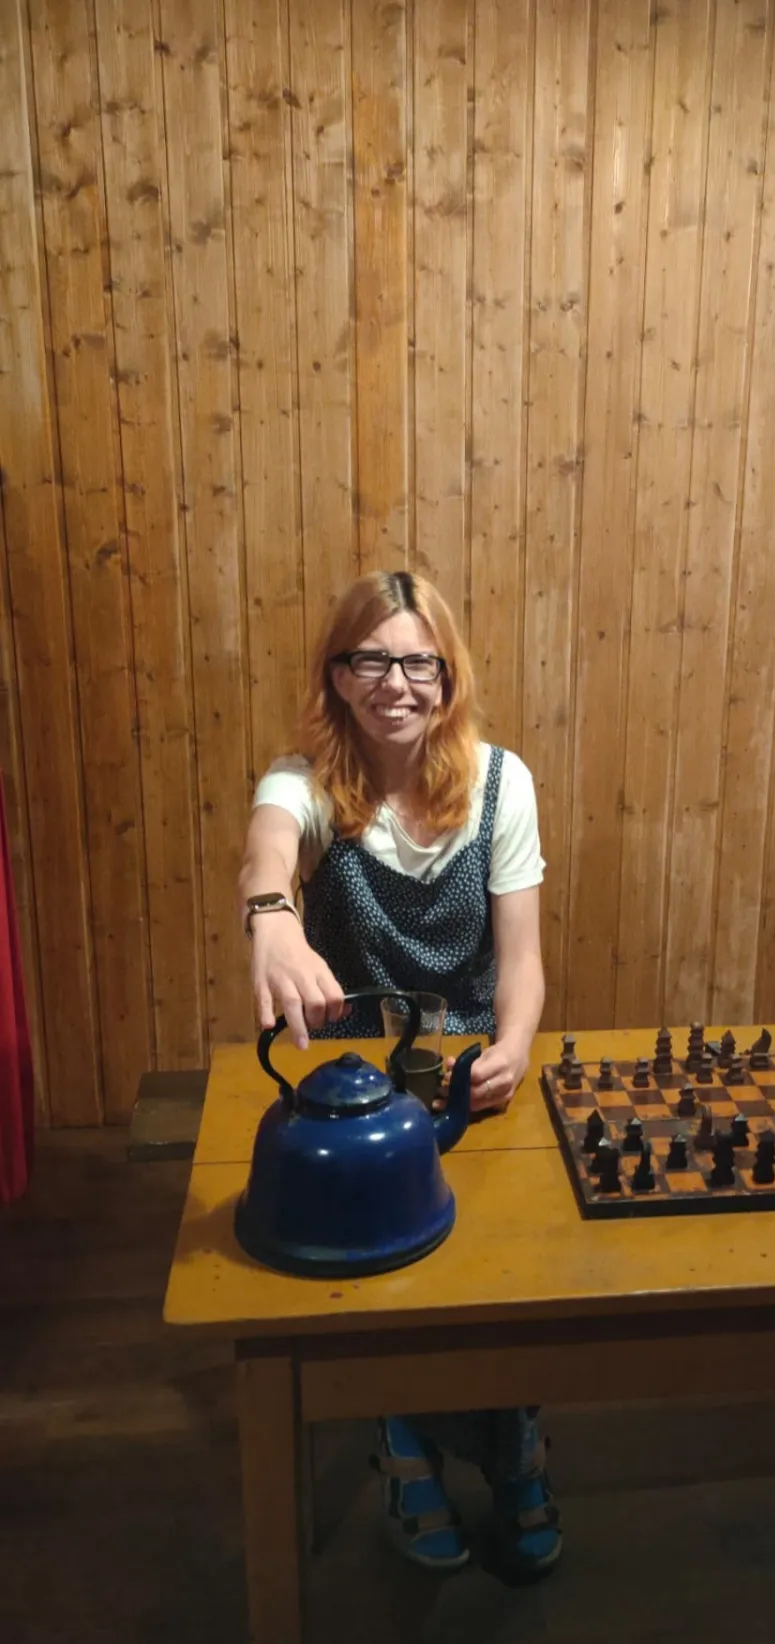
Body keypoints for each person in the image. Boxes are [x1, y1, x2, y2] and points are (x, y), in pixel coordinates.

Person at [237, 569, 561, 1582]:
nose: (397, 683)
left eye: (420, 661)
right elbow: (266, 854)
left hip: (469, 1073)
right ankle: (404, 1439)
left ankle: (515, 1440)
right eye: (371, 660)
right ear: (337, 674)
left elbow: (523, 960)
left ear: (448, 675)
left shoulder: (501, 783)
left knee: (500, 1280)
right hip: (358, 1093)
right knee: (384, 1268)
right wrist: (271, 918)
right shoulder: (303, 781)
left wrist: (516, 1040)